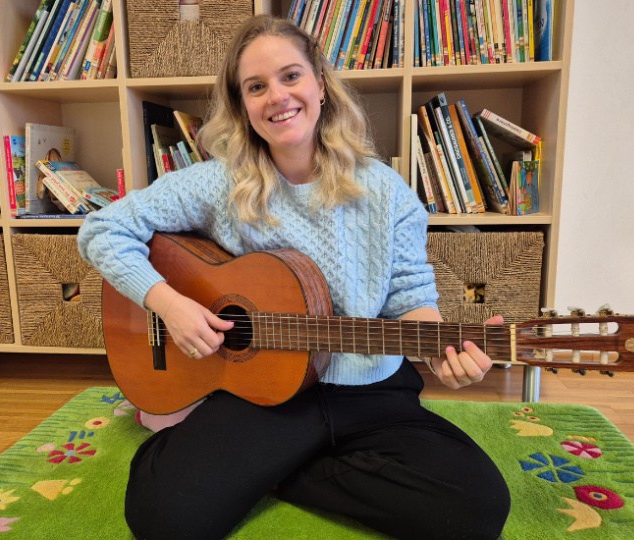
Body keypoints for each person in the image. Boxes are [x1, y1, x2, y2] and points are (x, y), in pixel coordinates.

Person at [78, 14, 510, 540]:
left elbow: (409, 292)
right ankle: (210, 445)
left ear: (320, 85)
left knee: (475, 509)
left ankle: (276, 472)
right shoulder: (218, 183)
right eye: (256, 87)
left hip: (371, 390)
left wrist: (442, 349)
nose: (277, 96)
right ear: (242, 106)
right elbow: (102, 228)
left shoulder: (385, 189)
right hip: (265, 392)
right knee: (163, 519)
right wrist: (169, 304)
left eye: (290, 76)